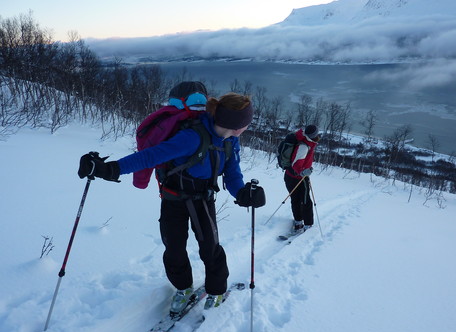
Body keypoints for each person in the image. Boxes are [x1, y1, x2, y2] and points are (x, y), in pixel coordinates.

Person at [77, 84, 265, 316]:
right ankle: (183, 288)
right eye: (247, 122)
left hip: (203, 200)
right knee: (174, 248)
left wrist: (244, 194)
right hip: (173, 198)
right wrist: (110, 169)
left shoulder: (230, 143)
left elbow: (233, 175)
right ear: (236, 125)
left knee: (210, 248)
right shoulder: (191, 137)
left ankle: (216, 291)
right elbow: (150, 156)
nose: (247, 126)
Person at [283, 124, 320, 234]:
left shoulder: (304, 140)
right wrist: (304, 171)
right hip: (299, 178)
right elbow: (296, 163)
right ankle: (308, 225)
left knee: (296, 199)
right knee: (305, 201)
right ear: (313, 135)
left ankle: (298, 222)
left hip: (290, 176)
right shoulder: (304, 146)